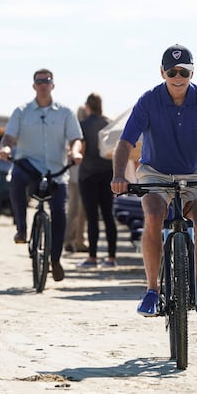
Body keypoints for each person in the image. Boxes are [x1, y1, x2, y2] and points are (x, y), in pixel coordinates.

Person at [111, 44, 197, 317]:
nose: (178, 76)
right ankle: (151, 290)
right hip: (155, 172)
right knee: (153, 215)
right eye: (172, 71)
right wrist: (117, 177)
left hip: (194, 172)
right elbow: (125, 142)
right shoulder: (148, 100)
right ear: (162, 72)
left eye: (183, 70)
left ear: (192, 72)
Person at [0, 69, 83, 282]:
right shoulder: (22, 111)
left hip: (56, 170)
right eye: (39, 81)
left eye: (47, 81)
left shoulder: (65, 112)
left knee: (58, 212)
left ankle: (55, 260)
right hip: (30, 167)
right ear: (34, 85)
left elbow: (76, 138)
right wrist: (6, 149)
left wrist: (75, 151)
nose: (43, 84)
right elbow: (8, 137)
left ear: (53, 85)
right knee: (16, 179)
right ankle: (22, 228)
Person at [77, 92, 119, 268]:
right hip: (108, 174)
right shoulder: (109, 124)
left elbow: (82, 148)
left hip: (88, 174)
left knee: (92, 216)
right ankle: (111, 257)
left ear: (88, 106)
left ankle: (92, 257)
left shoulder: (83, 125)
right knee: (109, 216)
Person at [63, 105, 89, 254]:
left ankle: (74, 239)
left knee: (76, 209)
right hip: (77, 175)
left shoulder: (74, 132)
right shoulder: (77, 132)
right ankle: (74, 240)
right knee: (77, 209)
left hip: (74, 175)